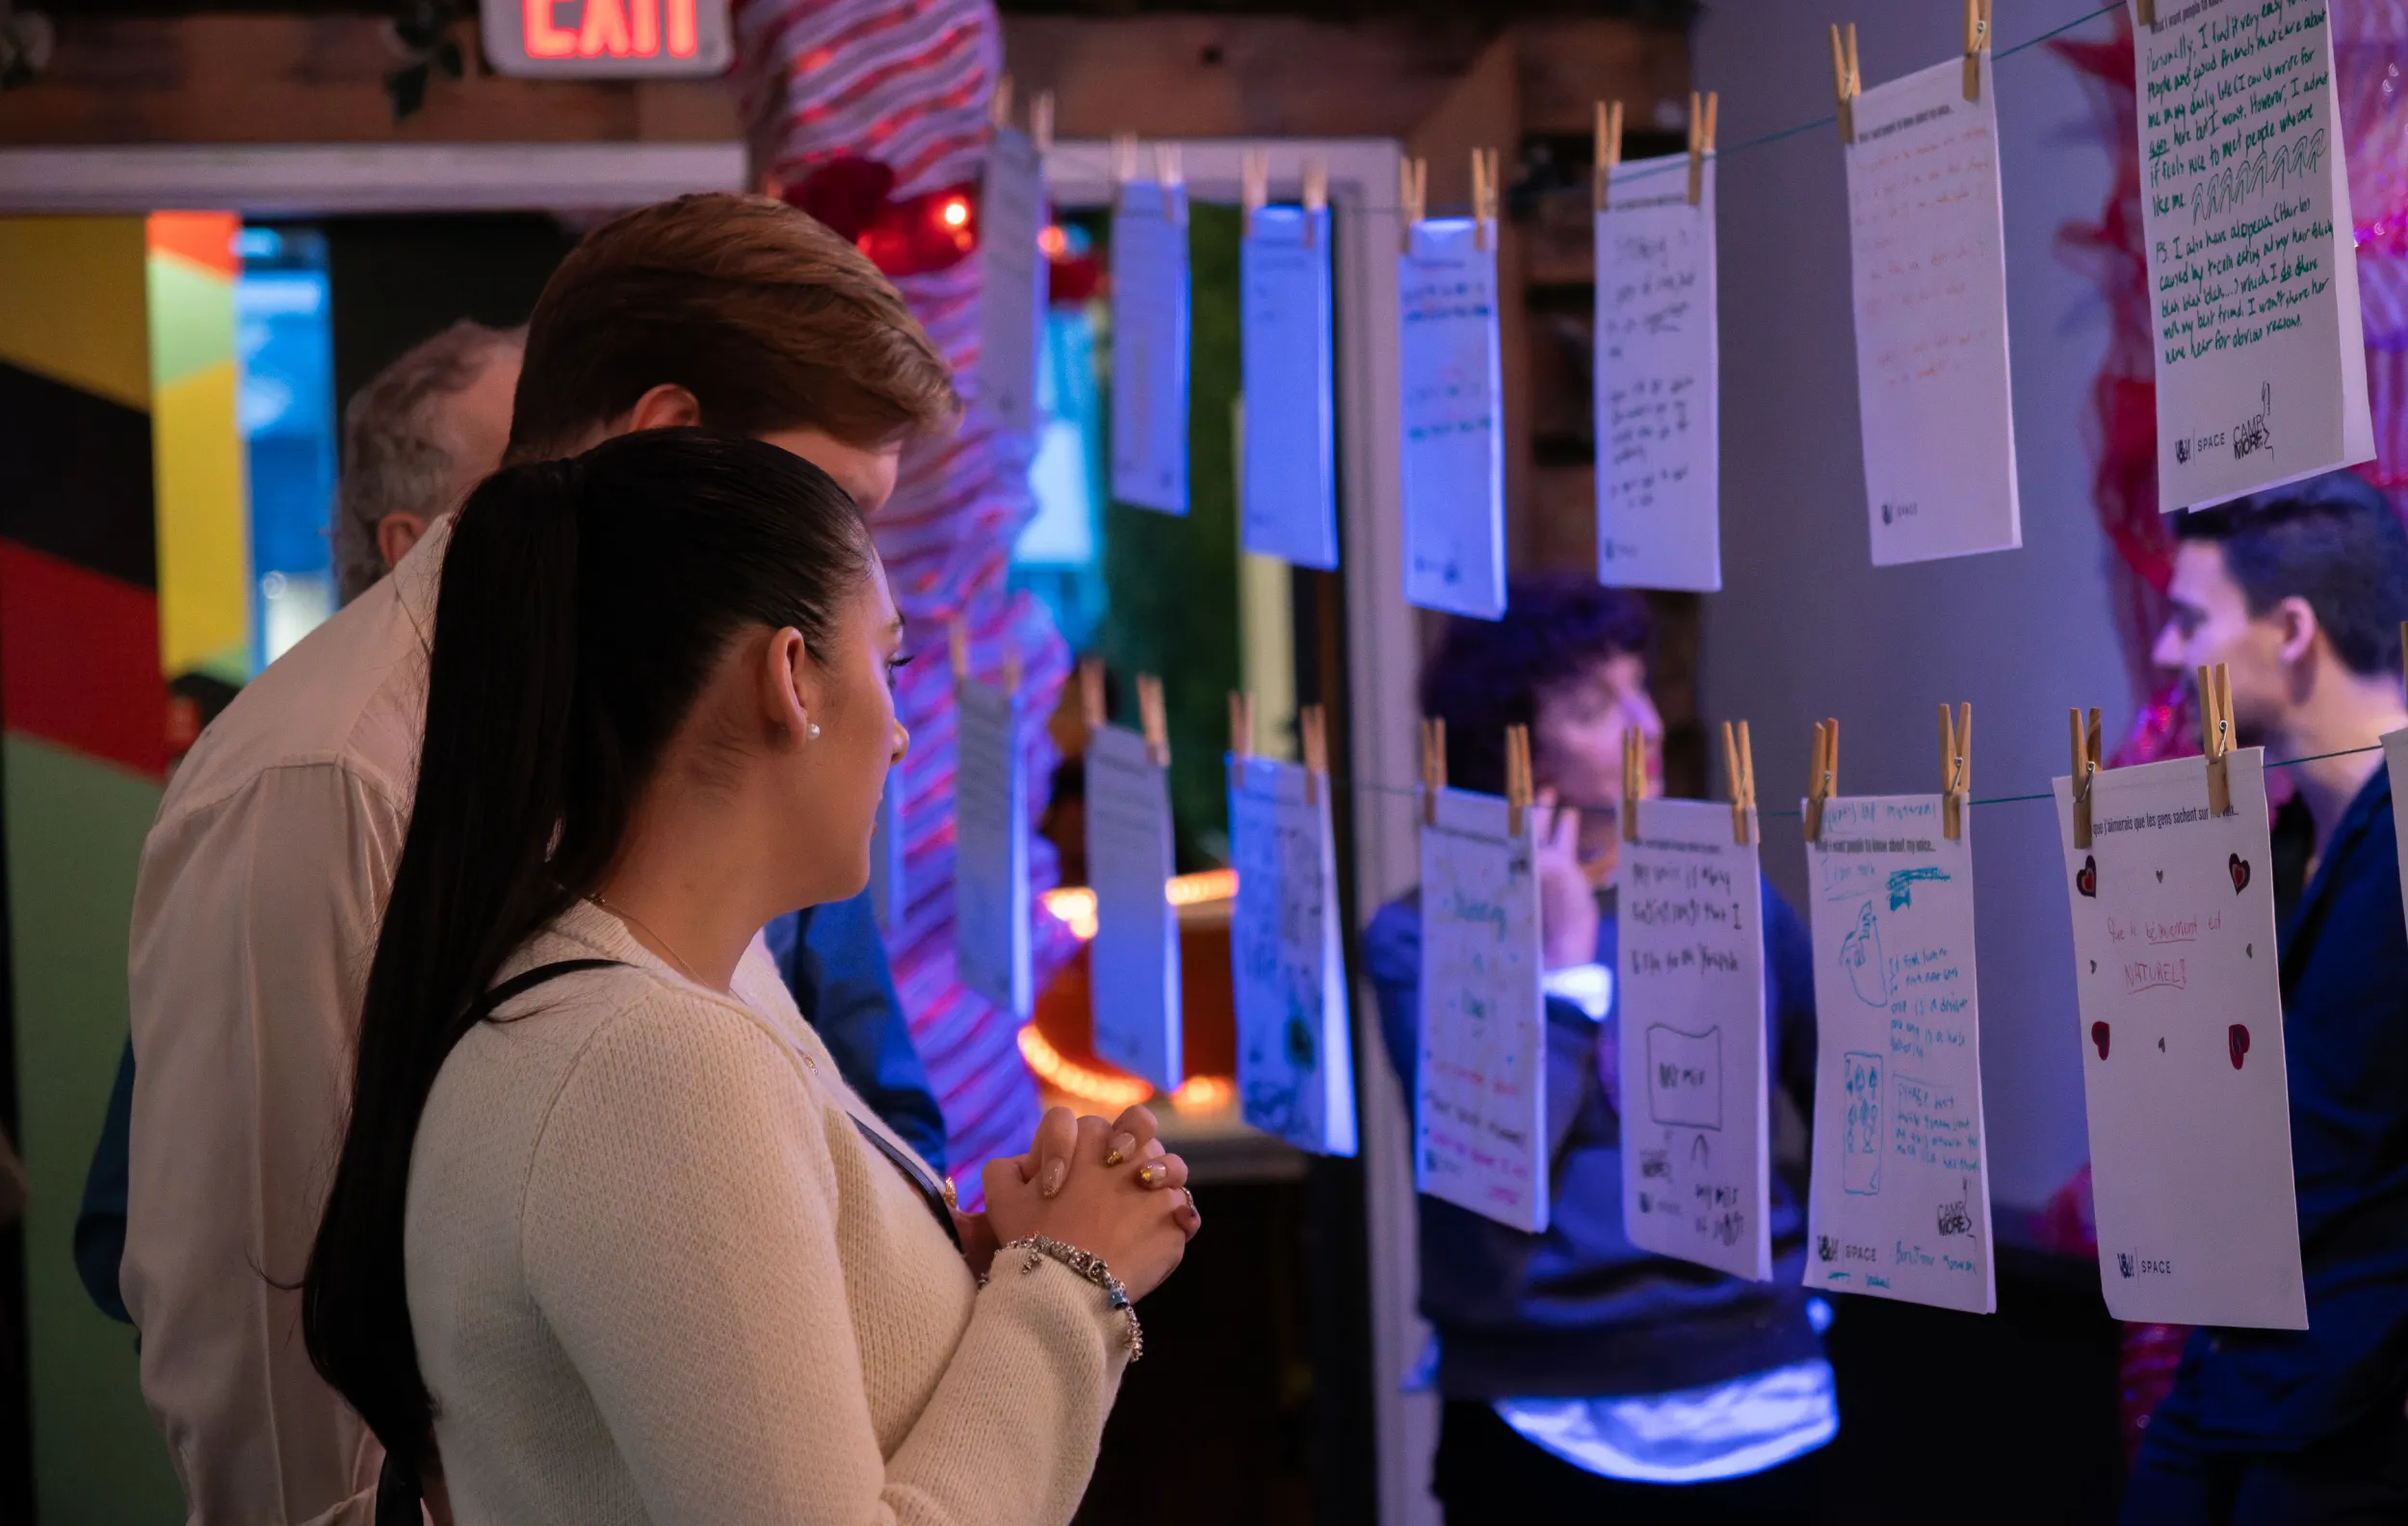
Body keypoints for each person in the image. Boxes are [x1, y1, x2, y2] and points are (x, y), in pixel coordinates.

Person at [124, 193, 963, 1526]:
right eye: (832, 505)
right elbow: (270, 1359)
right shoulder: (329, 773)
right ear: (669, 440)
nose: (850, 567)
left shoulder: (645, 746)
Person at [303, 429, 1197, 1519]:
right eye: (890, 664)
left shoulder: (672, 997)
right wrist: (1069, 1279)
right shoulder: (651, 1062)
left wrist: (968, 1263)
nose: (901, 736)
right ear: (789, 679)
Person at [1366, 577, 1832, 1524]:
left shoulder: (1732, 899)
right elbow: (1490, 1172)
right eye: (1592, 708)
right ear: (1514, 749)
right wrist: (1568, 968)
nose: (1644, 726)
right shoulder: (1425, 936)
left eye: (1638, 687)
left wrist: (1807, 1294)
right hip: (1540, 1412)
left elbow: (1846, 1108)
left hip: (1764, 1402)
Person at [2122, 471, 2408, 1523]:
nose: (2167, 651)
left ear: (2290, 631)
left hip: (2357, 1425)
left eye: (2191, 620)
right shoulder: (2275, 844)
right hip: (2232, 1379)